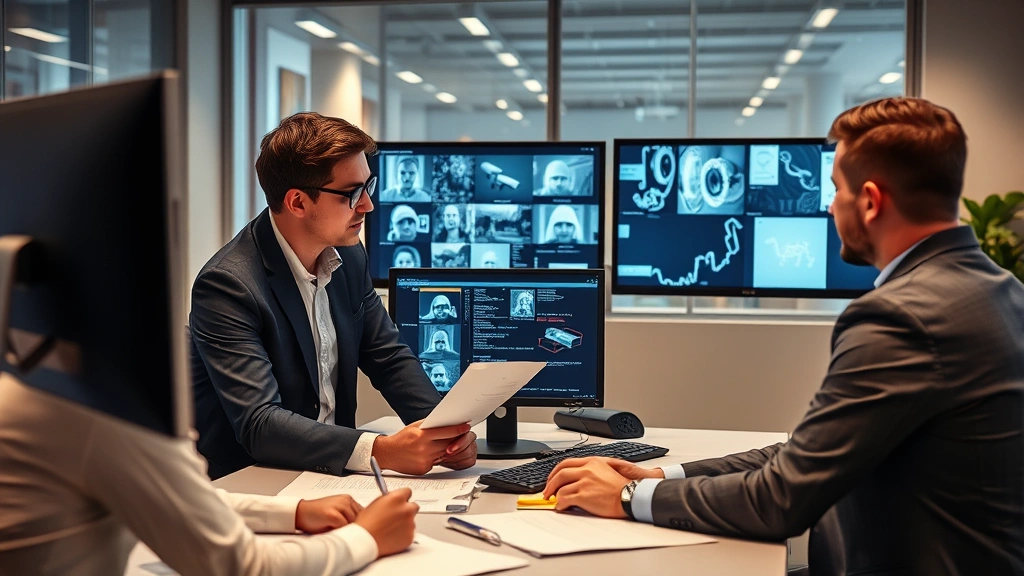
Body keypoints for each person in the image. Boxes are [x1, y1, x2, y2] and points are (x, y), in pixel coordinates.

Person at [542, 98, 1024, 574]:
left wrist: (626, 496)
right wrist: (658, 475)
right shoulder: (1000, 290)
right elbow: (811, 452)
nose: (831, 206)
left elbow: (782, 499)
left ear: (872, 201)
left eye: (835, 190)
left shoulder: (902, 316)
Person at [190, 112, 476, 480]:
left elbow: (388, 357)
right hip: (254, 480)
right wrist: (382, 450)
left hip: (331, 474)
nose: (368, 206)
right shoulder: (228, 285)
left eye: (368, 187)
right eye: (352, 193)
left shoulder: (349, 256)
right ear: (297, 203)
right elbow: (259, 423)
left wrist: (441, 430)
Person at [0, 370, 419, 576]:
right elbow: (240, 568)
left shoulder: (26, 389)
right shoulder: (90, 407)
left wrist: (291, 512)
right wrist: (367, 538)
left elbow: (171, 495)